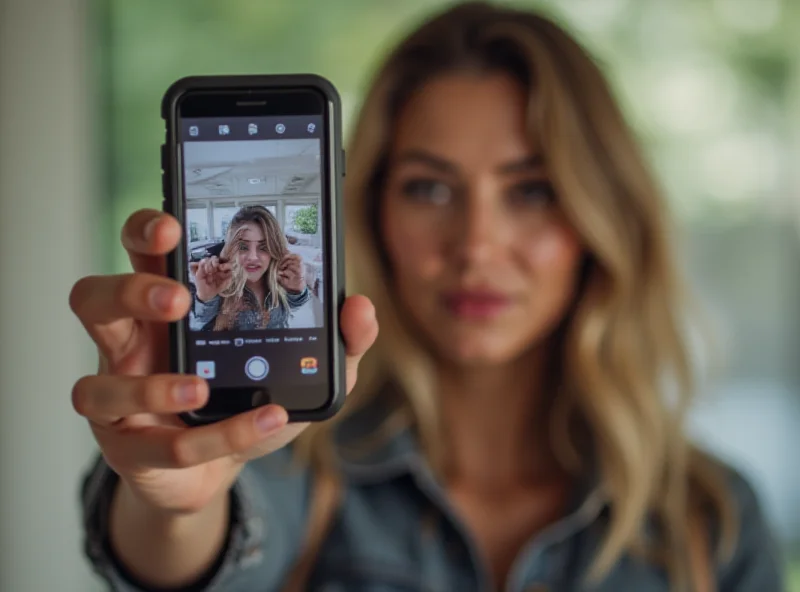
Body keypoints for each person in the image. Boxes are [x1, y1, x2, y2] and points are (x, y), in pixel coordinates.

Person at [70, 2, 784, 591]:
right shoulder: (288, 460)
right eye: (430, 188)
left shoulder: (709, 523)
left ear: (602, 217)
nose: (475, 244)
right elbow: (194, 550)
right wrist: (169, 504)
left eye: (530, 191)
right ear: (376, 210)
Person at [189, 205, 309, 331]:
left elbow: (296, 305)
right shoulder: (215, 282)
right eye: (242, 247)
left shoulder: (279, 278)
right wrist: (205, 299)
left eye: (264, 247)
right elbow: (197, 326)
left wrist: (297, 289)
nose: (252, 257)